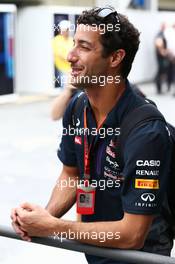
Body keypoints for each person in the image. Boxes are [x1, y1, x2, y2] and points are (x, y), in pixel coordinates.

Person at [11, 7, 173, 264]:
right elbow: (71, 174)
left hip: (142, 259)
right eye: (74, 44)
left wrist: (52, 227)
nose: (70, 55)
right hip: (95, 254)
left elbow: (133, 234)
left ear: (115, 58)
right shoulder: (77, 107)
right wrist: (42, 218)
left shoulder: (146, 130)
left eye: (84, 47)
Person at [52, 20, 73, 88]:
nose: (66, 31)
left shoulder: (71, 40)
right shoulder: (56, 40)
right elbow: (60, 54)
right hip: (61, 68)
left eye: (67, 30)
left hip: (71, 68)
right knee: (65, 87)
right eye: (65, 30)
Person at [154, 22, 171, 94]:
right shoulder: (160, 34)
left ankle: (160, 88)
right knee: (161, 72)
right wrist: (163, 52)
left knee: (162, 72)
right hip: (161, 57)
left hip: (162, 57)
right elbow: (158, 44)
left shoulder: (162, 34)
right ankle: (159, 88)